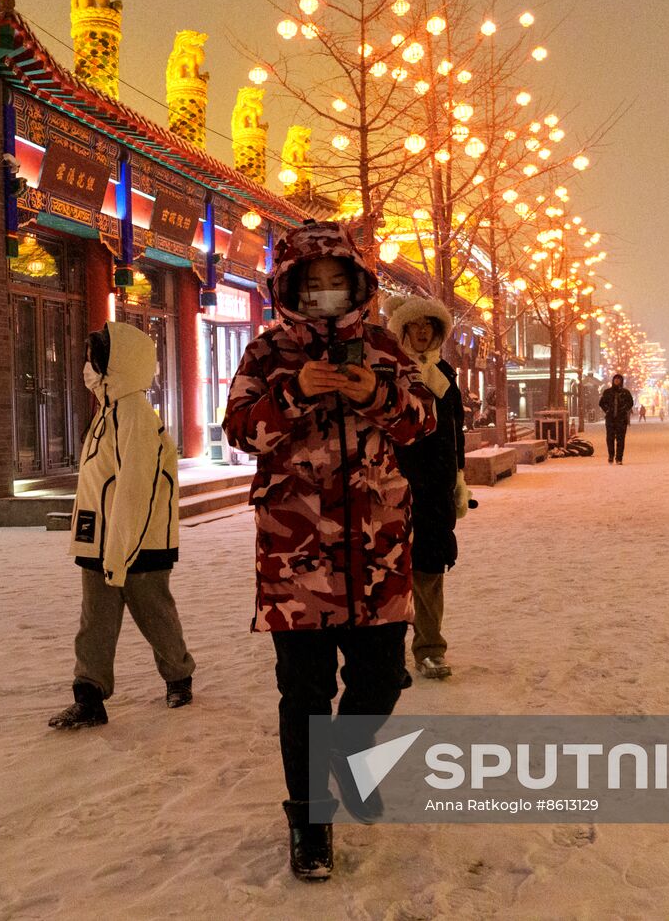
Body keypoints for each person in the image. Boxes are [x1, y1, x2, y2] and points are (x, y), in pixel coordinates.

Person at [222, 221, 435, 883]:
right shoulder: (265, 352)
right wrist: (295, 392)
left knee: (379, 680)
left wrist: (375, 393)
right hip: (296, 559)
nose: (322, 293)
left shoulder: (383, 346)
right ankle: (310, 821)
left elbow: (422, 421)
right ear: (288, 287)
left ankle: (347, 755)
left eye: (333, 281)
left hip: (377, 555)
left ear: (354, 283)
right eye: (308, 284)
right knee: (305, 695)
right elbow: (238, 431)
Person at [49, 321, 197, 730]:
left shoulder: (133, 416)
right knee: (95, 620)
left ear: (115, 366)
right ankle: (89, 695)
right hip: (99, 540)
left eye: (93, 361)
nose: (86, 369)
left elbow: (136, 488)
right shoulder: (107, 412)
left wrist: (122, 548)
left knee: (154, 613)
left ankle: (179, 676)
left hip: (138, 540)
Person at [385, 293, 470, 682]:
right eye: (414, 327)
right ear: (402, 330)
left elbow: (456, 432)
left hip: (435, 486)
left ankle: (430, 648)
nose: (421, 334)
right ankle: (386, 656)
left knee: (430, 568)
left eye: (428, 328)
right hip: (392, 483)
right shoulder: (388, 372)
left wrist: (458, 477)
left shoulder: (446, 375)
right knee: (389, 571)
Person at [599, 374, 634, 464]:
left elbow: (630, 403)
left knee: (621, 439)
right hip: (610, 419)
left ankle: (619, 458)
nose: (617, 381)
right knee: (610, 438)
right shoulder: (607, 392)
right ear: (613, 380)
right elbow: (601, 403)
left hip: (621, 419)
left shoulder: (625, 393)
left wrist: (624, 410)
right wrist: (607, 410)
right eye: (615, 379)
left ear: (621, 381)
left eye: (619, 379)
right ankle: (611, 455)